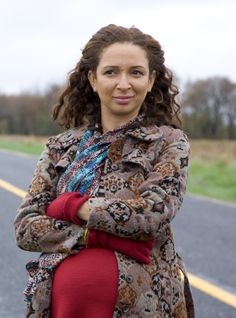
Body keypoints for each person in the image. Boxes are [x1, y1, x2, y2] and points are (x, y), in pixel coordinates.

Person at [14, 24, 195, 318]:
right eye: (111, 72)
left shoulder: (169, 142)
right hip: (61, 305)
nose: (124, 83)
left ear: (150, 81)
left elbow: (152, 214)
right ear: (93, 79)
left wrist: (71, 206)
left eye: (135, 72)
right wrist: (99, 237)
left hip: (144, 304)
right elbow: (25, 228)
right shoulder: (62, 147)